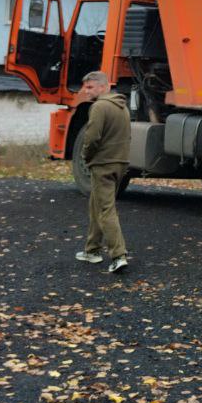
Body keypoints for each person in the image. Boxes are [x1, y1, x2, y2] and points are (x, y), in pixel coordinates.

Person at [74, 70, 131, 273]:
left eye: (89, 87)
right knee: (95, 205)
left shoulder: (99, 107)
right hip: (120, 163)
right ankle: (92, 250)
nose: (85, 91)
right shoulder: (122, 107)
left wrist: (86, 157)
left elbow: (92, 138)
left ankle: (119, 255)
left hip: (103, 165)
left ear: (103, 87)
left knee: (106, 210)